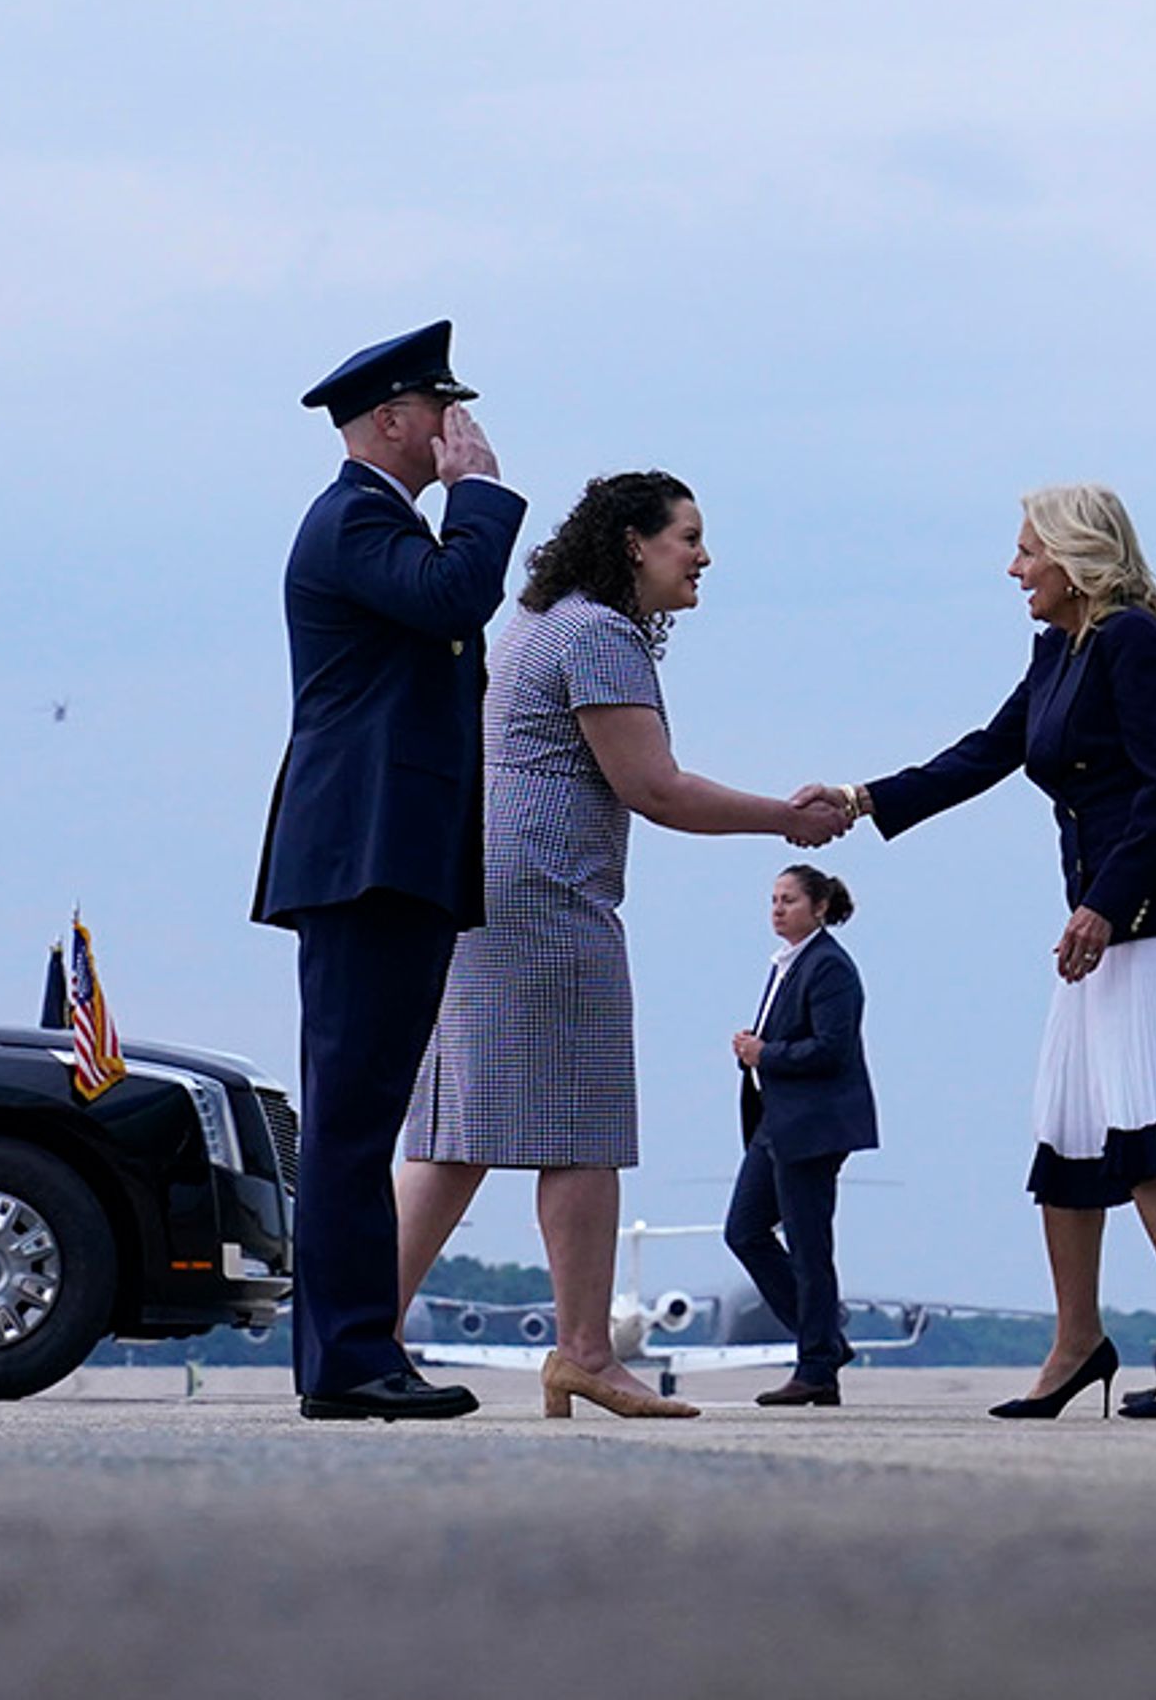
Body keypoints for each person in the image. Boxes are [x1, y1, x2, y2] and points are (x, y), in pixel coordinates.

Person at [392, 470, 848, 1423]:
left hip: (481, 888)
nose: (703, 555)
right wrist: (785, 819)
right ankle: (588, 1352)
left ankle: (361, 1326)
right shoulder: (599, 632)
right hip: (550, 902)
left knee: (453, 1132)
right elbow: (656, 788)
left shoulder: (539, 619)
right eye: (688, 535)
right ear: (633, 542)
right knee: (584, 1122)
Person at [839, 486, 1156, 1422]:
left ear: (1075, 557)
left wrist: (1106, 906)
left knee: (1150, 1132)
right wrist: (864, 799)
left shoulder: (1135, 642)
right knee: (1070, 1131)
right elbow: (989, 750)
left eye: (1027, 550)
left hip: (1151, 917)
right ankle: (1078, 1340)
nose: (1014, 567)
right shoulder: (1062, 649)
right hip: (1102, 919)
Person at [251, 318, 525, 1423]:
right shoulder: (355, 521)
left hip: (391, 856)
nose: (459, 430)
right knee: (357, 1121)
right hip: (363, 858)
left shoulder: (379, 524)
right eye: (443, 412)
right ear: (394, 421)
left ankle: (356, 1356)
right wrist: (484, 497)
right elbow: (455, 598)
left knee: (365, 1115)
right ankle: (351, 1359)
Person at [727, 863, 878, 1408]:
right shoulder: (787, 964)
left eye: (788, 900)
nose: (777, 908)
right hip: (778, 1122)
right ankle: (824, 1344)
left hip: (813, 1125)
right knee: (744, 1231)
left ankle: (816, 1366)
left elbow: (832, 1048)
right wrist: (755, 1048)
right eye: (773, 899)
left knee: (809, 1245)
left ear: (819, 907)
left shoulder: (829, 966)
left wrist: (765, 1053)